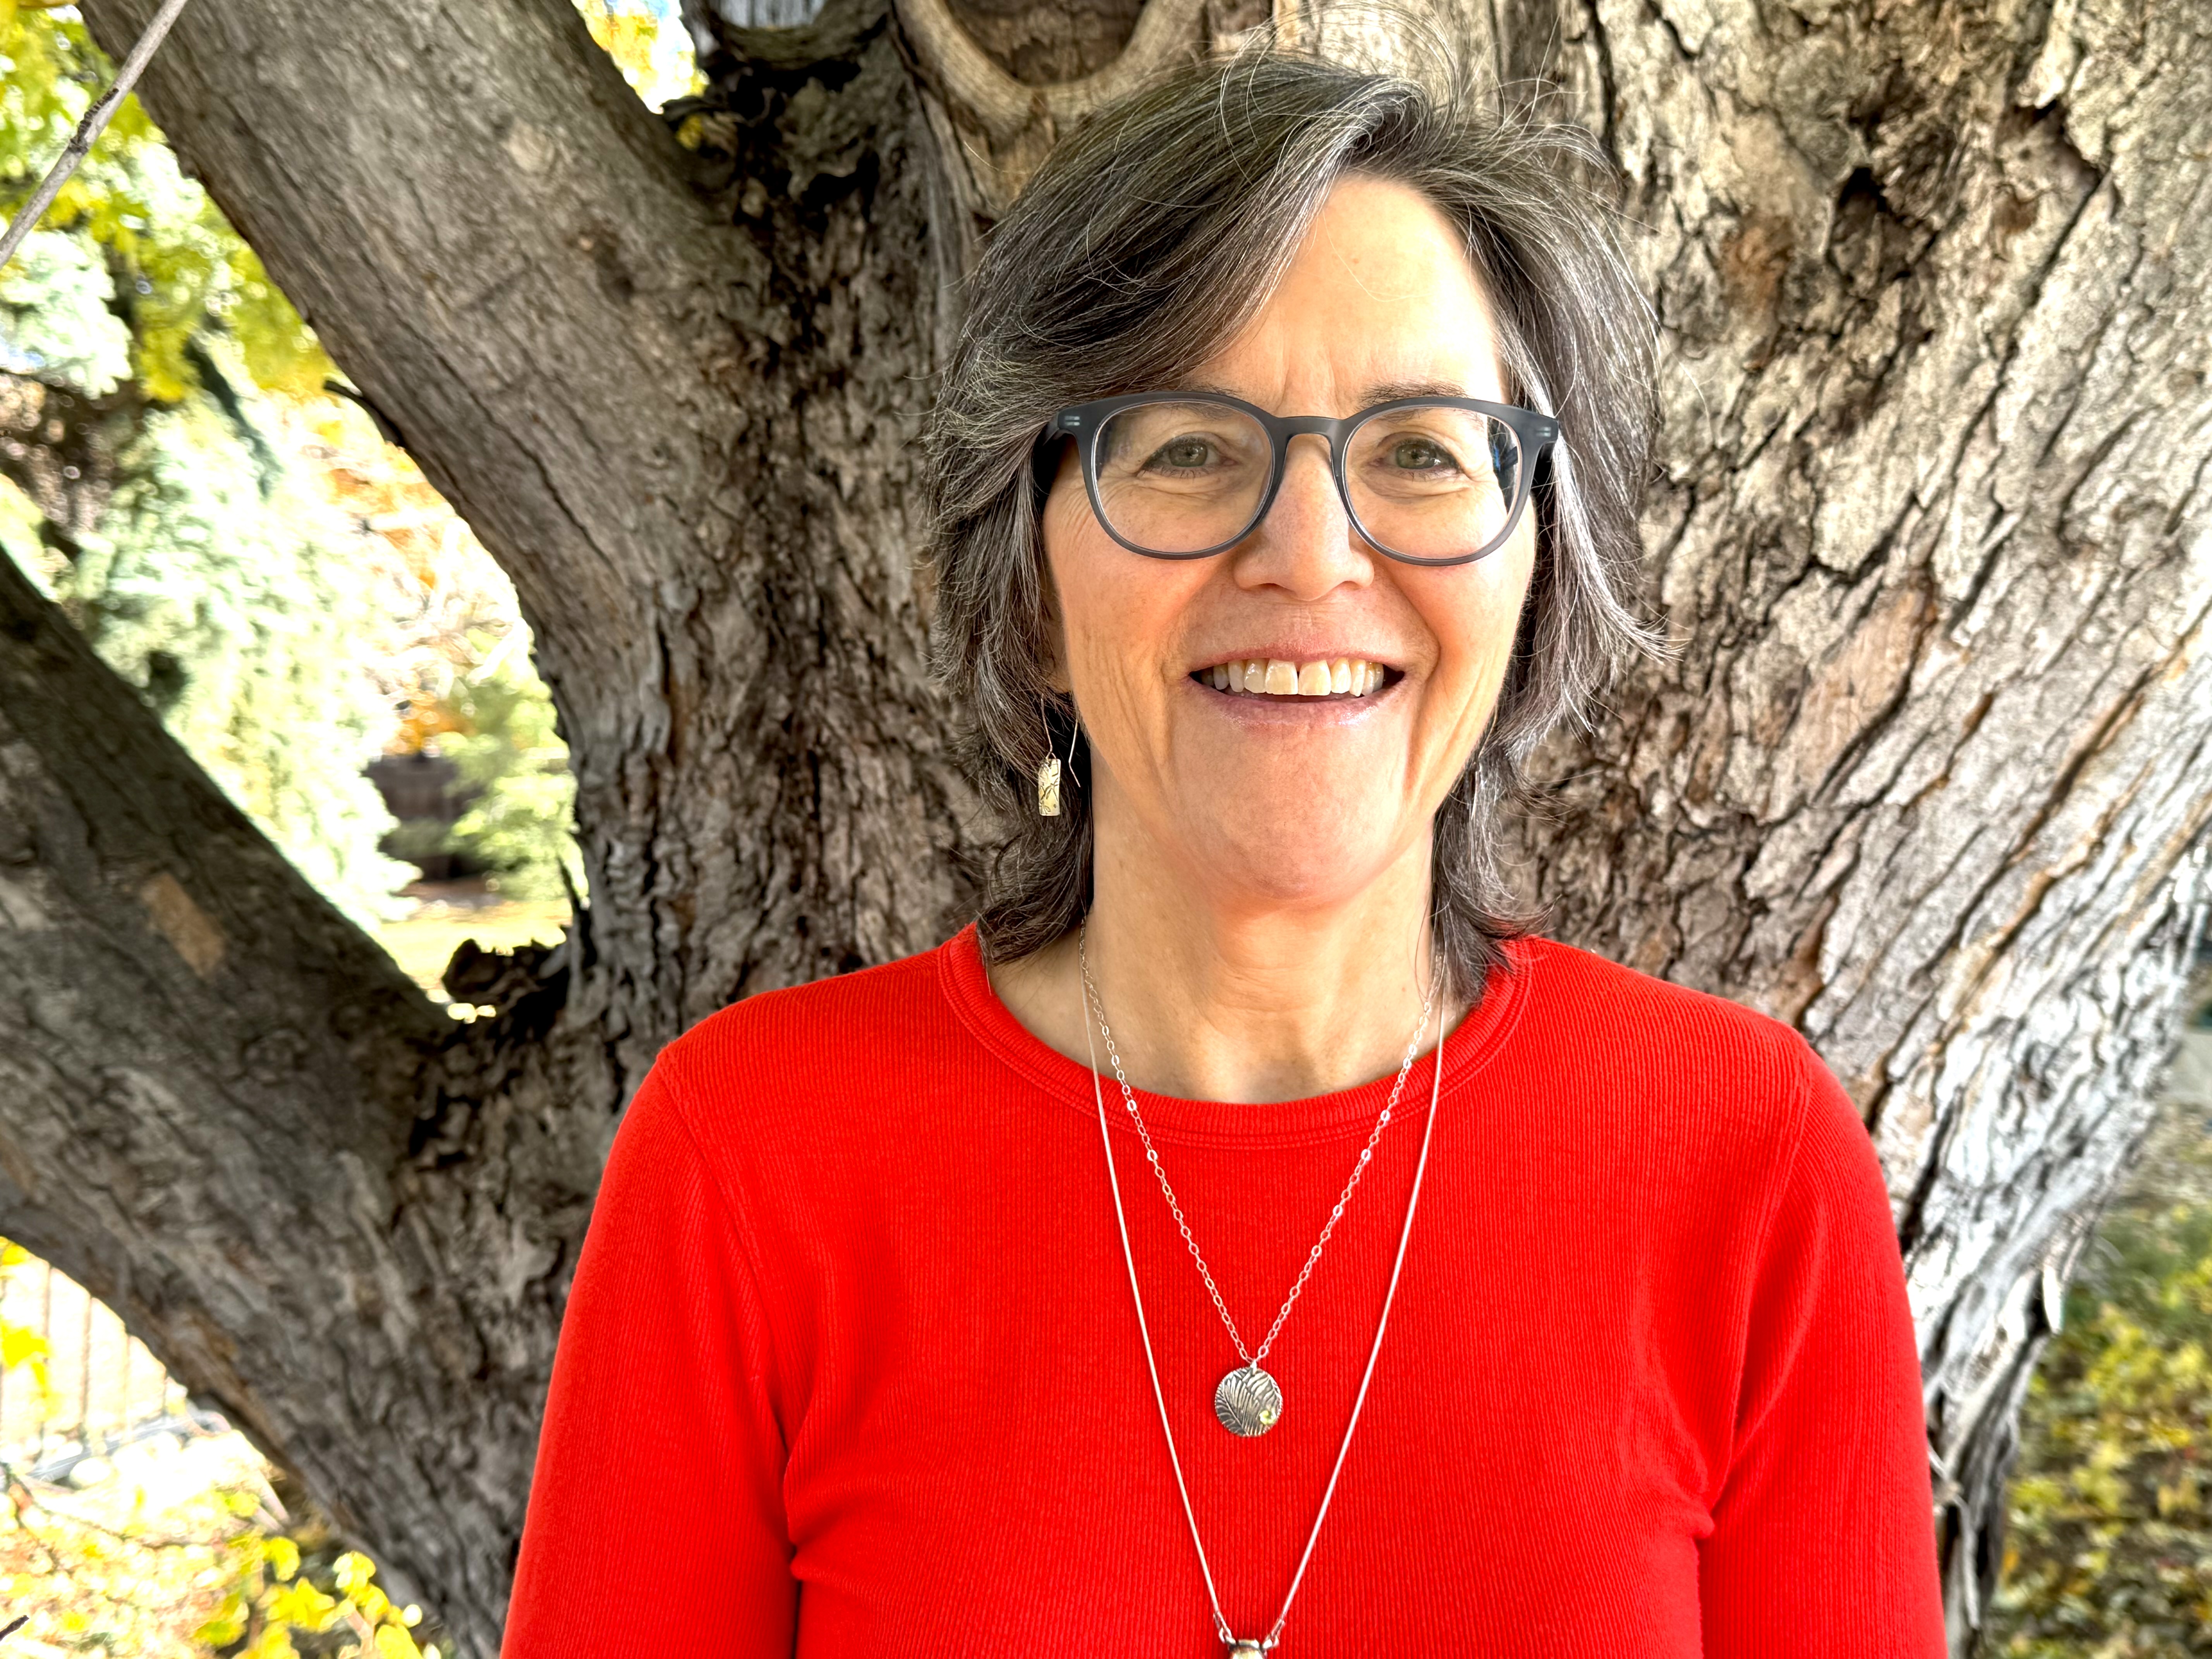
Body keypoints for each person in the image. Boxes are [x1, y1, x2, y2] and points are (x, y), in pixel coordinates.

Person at [501, 48, 1947, 1658]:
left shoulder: (1744, 1161)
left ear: (1539, 567)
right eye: (1188, 445)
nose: (1310, 555)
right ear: (1032, 584)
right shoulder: (750, 1161)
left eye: (1422, 451)